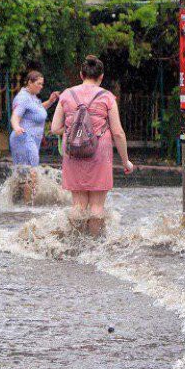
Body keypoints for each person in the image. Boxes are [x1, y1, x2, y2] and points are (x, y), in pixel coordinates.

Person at [50, 55, 134, 236]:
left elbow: (55, 128)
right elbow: (118, 132)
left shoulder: (66, 95)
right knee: (97, 206)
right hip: (99, 150)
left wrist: (75, 131)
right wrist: (126, 161)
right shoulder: (107, 97)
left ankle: (75, 242)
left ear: (81, 74)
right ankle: (94, 244)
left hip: (73, 150)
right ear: (101, 76)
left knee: (78, 204)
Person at [9, 71, 59, 202]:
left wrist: (51, 101)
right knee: (31, 173)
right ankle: (28, 205)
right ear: (30, 82)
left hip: (31, 140)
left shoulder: (32, 97)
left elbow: (37, 110)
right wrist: (16, 127)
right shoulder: (23, 98)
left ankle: (15, 204)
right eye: (38, 84)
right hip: (24, 139)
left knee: (23, 174)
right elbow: (15, 116)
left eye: (42, 84)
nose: (41, 86)